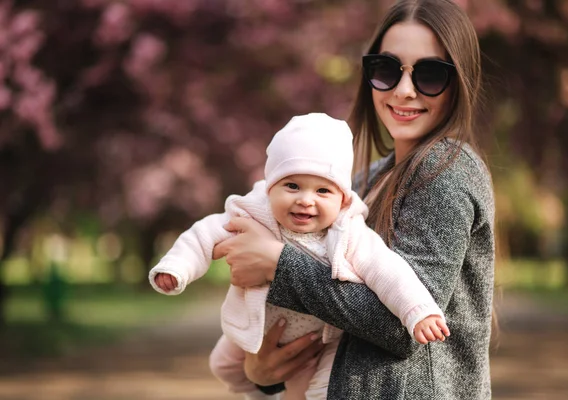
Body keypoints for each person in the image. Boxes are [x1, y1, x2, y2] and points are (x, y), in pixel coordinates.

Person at [212, 0, 496, 399]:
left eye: (430, 74)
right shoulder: (363, 181)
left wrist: (276, 264)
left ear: (460, 81)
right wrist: (262, 371)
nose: (404, 90)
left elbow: (407, 326)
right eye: (387, 69)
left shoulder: (445, 168)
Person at [149, 113, 450, 400]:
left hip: (319, 339)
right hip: (256, 322)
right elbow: (204, 235)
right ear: (270, 188)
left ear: (343, 199)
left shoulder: (349, 232)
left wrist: (419, 310)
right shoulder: (254, 214)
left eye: (322, 191)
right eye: (292, 186)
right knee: (222, 365)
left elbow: (388, 271)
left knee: (317, 390)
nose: (305, 200)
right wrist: (177, 267)